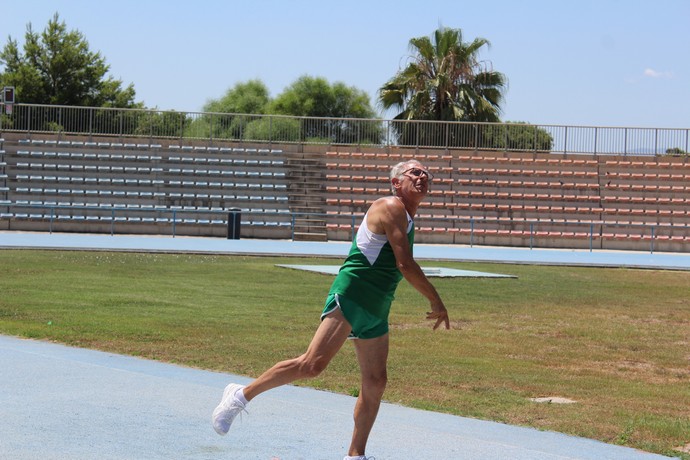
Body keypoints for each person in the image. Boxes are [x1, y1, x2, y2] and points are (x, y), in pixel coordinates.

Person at [212, 159, 450, 460]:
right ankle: (240, 395)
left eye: (426, 173)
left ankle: (355, 455)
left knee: (376, 381)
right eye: (414, 172)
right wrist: (435, 300)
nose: (422, 176)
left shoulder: (407, 216)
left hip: (377, 304)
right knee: (312, 365)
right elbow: (405, 264)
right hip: (353, 294)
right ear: (395, 182)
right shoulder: (390, 206)